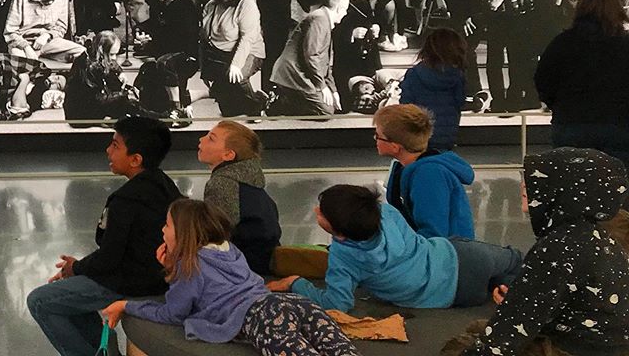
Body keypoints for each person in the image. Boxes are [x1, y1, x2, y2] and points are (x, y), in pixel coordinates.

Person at [101, 199, 361, 356]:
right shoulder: (228, 249)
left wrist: (126, 305)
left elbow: (174, 312)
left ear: (183, 234)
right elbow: (215, 282)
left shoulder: (188, 265)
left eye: (167, 225)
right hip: (291, 303)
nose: (162, 229)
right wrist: (174, 266)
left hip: (261, 317)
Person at [445, 147, 629, 356]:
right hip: (603, 346)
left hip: (572, 348)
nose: (525, 185)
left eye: (540, 180)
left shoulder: (560, 246)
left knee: (459, 346)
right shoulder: (595, 236)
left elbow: (509, 330)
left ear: (565, 191)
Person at [27, 116, 181, 356]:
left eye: (115, 145)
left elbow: (108, 258)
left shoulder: (125, 200)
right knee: (70, 295)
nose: (108, 150)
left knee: (40, 301)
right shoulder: (165, 185)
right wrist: (77, 268)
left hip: (134, 283)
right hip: (156, 275)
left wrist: (75, 267)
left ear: (135, 159)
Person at [266, 185, 522, 312]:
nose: (315, 212)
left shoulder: (344, 258)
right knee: (517, 261)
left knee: (495, 283)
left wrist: (295, 283)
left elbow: (338, 303)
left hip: (457, 297)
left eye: (321, 213)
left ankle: (501, 286)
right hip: (463, 256)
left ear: (340, 234)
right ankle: (510, 284)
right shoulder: (385, 211)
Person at [535, 0, 629, 167]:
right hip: (619, 127)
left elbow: (543, 81)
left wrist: (561, 106)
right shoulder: (625, 45)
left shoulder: (562, 42)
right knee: (620, 185)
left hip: (571, 126)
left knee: (573, 184)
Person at [375, 103, 475, 239]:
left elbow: (434, 234)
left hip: (446, 254)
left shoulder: (429, 175)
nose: (375, 140)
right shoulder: (408, 167)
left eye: (378, 136)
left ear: (395, 147)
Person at [197, 121, 281, 274]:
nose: (201, 139)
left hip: (243, 269)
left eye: (211, 138)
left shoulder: (223, 184)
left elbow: (217, 234)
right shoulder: (250, 181)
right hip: (263, 263)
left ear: (228, 155)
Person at [269, 0, 350, 116]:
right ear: (339, 8)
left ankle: (286, 98)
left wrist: (333, 91)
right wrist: (323, 87)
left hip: (300, 71)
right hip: (293, 73)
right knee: (326, 111)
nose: (345, 13)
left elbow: (324, 62)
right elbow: (312, 56)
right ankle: (280, 102)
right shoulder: (320, 19)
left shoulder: (322, 18)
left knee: (330, 106)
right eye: (345, 9)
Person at [200, 0, 266, 117]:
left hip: (249, 51)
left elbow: (247, 38)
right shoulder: (211, 5)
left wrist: (236, 64)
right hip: (220, 54)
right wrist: (205, 70)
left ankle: (258, 106)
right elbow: (203, 39)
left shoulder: (246, 4)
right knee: (229, 111)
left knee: (237, 76)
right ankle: (256, 99)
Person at [400, 28, 468, 150]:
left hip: (419, 136)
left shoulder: (414, 74)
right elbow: (460, 101)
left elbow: (405, 104)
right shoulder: (457, 75)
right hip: (446, 136)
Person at [4, 0, 85, 63]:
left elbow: (61, 28)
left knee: (82, 53)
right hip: (22, 44)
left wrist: (46, 35)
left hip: (47, 42)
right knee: (23, 64)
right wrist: (26, 48)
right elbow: (10, 32)